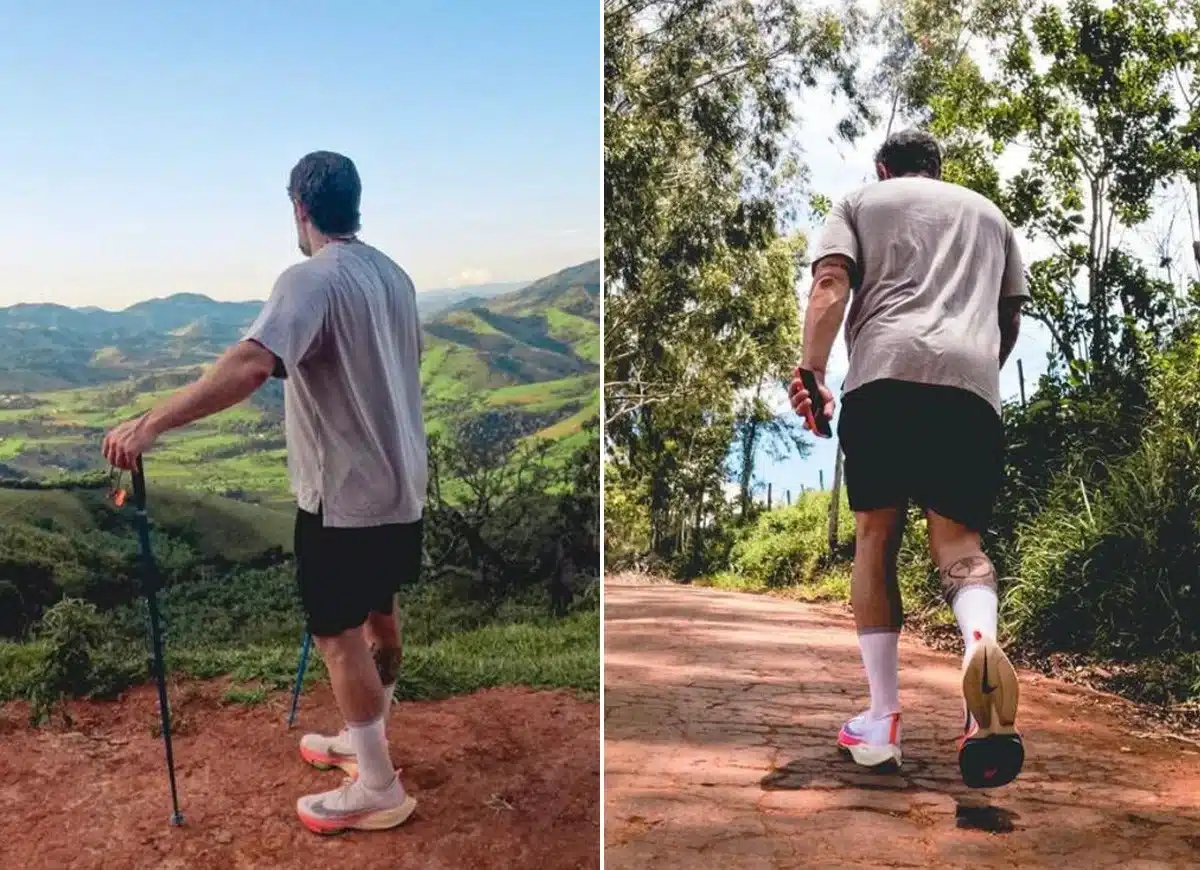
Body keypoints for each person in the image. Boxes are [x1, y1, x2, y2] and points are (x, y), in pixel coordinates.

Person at [102, 150, 426, 831]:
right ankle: (369, 737)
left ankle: (376, 784)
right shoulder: (393, 276)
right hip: (402, 486)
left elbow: (252, 362)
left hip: (344, 498)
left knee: (337, 635)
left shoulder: (310, 279)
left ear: (299, 209)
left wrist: (152, 424)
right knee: (379, 614)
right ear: (354, 203)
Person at [788, 129, 1027, 789]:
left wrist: (810, 370)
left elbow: (831, 283)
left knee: (875, 537)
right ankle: (980, 658)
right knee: (961, 548)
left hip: (883, 382)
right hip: (970, 390)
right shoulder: (991, 217)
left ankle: (882, 720)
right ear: (938, 169)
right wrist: (970, 377)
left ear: (885, 168)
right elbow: (1008, 320)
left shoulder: (862, 201)